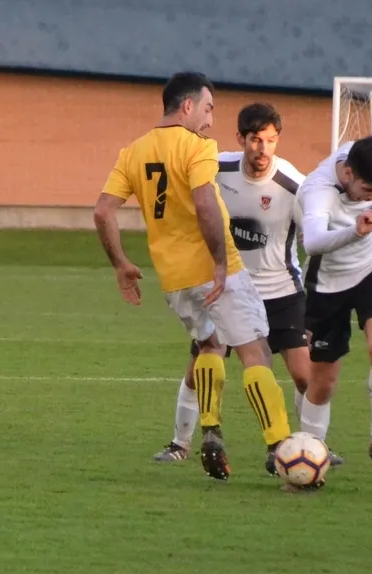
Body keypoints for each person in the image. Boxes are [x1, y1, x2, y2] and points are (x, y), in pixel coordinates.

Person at [93, 72, 291, 482]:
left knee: (209, 344)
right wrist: (219, 263)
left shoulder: (133, 152)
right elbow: (204, 203)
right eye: (208, 108)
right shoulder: (198, 146)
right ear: (187, 106)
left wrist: (121, 264)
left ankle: (211, 430)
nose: (210, 119)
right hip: (215, 269)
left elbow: (102, 210)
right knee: (255, 351)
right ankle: (280, 447)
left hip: (173, 277)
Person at [150, 102, 345, 470]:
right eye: (255, 140)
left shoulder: (294, 185)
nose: (262, 149)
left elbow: (317, 242)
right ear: (240, 138)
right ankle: (180, 444)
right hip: (228, 289)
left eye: (270, 140)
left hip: (280, 291)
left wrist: (315, 306)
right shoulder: (216, 168)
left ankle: (312, 447)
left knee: (305, 376)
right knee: (199, 366)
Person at [297, 135, 372, 486]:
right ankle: (310, 458)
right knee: (323, 381)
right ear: (347, 174)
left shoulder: (363, 156)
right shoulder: (318, 190)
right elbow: (313, 242)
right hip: (328, 282)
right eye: (368, 189)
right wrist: (355, 231)